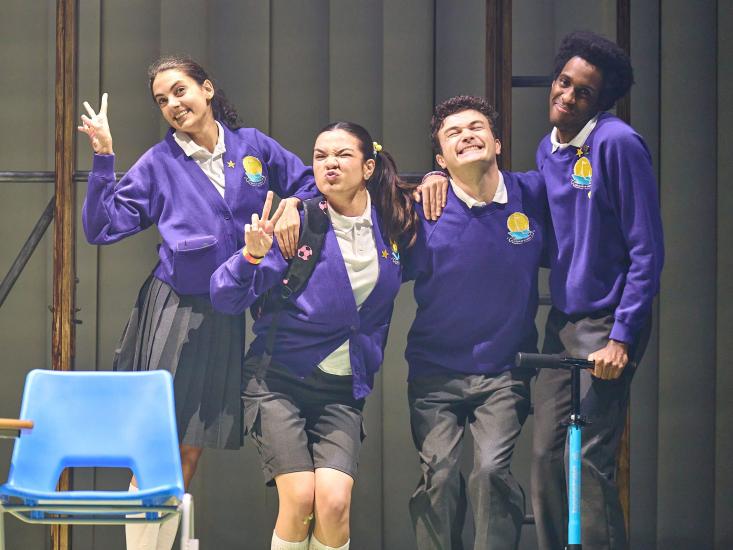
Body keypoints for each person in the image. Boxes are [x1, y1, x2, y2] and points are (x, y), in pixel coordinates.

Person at [78, 55, 317, 550]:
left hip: (226, 314)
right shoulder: (159, 162)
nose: (172, 104)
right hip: (175, 311)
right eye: (161, 100)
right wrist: (104, 157)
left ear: (207, 90)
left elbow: (310, 183)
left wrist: (294, 203)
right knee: (158, 449)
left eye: (180, 91)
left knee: (188, 448)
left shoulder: (252, 146)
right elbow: (101, 227)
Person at [210, 122, 418, 550]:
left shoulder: (394, 221)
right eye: (320, 156)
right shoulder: (298, 223)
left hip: (343, 389)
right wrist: (250, 254)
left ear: (368, 166)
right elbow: (224, 297)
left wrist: (437, 180)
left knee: (335, 504)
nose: (329, 164)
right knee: (301, 497)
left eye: (342, 154)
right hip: (277, 380)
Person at [529, 31, 664, 550]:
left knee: (585, 460)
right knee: (544, 458)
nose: (566, 95)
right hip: (561, 321)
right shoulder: (548, 148)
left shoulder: (616, 142)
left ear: (600, 103)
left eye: (582, 92)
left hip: (608, 322)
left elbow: (646, 249)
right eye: (564, 82)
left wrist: (623, 336)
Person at [404, 95, 547, 550]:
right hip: (434, 371)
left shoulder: (533, 194)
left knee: (489, 473)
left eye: (476, 127)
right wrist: (426, 180)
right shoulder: (423, 209)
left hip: (505, 371)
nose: (467, 134)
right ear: (441, 159)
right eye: (453, 133)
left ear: (498, 142)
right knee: (440, 477)